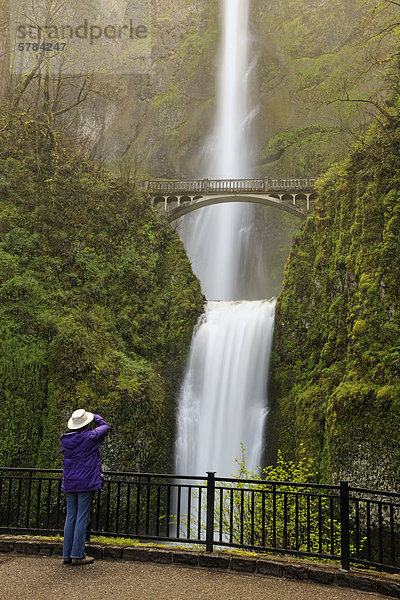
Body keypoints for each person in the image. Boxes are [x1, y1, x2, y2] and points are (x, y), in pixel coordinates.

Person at [61, 409, 110, 565]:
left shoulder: (65, 439)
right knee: (82, 517)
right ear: (85, 423)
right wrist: (93, 415)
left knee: (71, 517)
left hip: (70, 481)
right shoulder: (90, 437)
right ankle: (78, 554)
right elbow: (105, 426)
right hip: (85, 482)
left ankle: (66, 554)